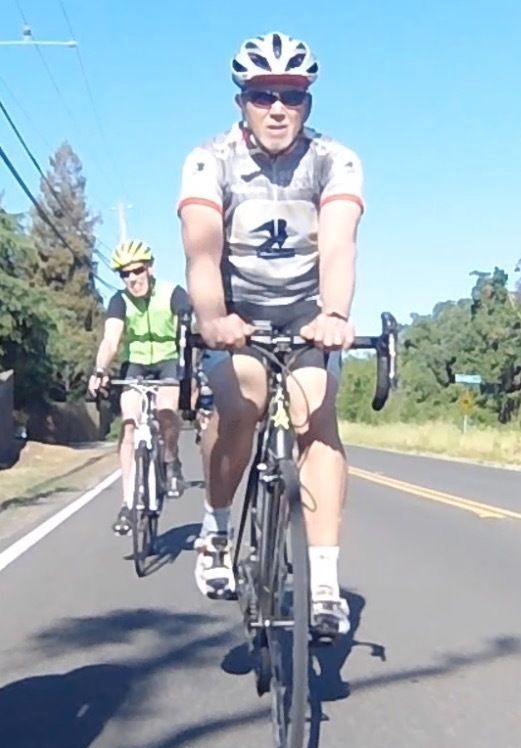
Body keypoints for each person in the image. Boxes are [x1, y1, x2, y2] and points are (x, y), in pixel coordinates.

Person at [177, 32, 363, 634]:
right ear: (242, 102)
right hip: (236, 315)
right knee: (244, 401)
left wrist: (334, 315)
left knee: (314, 410)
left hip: (306, 314)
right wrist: (213, 318)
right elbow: (202, 252)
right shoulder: (209, 160)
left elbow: (339, 246)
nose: (278, 108)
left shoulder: (334, 159)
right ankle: (216, 529)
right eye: (263, 96)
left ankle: (324, 582)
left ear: (308, 103)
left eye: (292, 96)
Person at [88, 239, 185, 535]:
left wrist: (190, 369)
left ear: (149, 268)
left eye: (137, 271)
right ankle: (128, 504)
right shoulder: (119, 300)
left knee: (166, 411)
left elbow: (185, 333)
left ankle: (171, 459)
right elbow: (111, 340)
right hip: (137, 364)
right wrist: (100, 370)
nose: (132, 278)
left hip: (168, 360)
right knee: (129, 424)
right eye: (125, 274)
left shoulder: (172, 293)